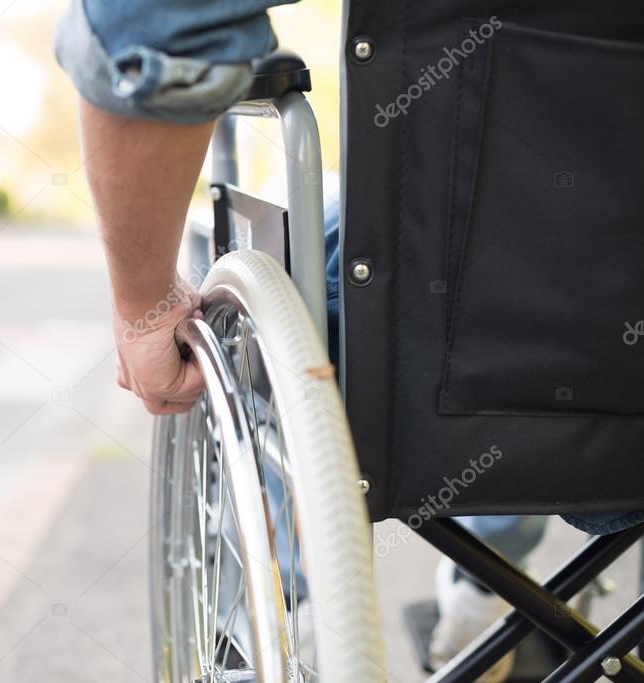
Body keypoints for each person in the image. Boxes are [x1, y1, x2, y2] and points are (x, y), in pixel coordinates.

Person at [53, 1, 644, 680]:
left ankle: (258, 628)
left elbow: (159, 25)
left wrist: (142, 307)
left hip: (485, 358)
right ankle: (485, 590)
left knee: (335, 261)